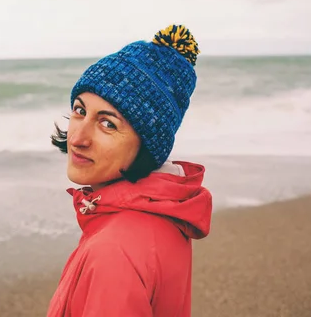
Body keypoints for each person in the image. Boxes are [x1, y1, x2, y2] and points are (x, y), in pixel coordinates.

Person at [46, 24, 213, 317]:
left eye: (108, 123)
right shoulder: (164, 215)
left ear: (147, 144)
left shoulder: (114, 251)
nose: (77, 138)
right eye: (80, 110)